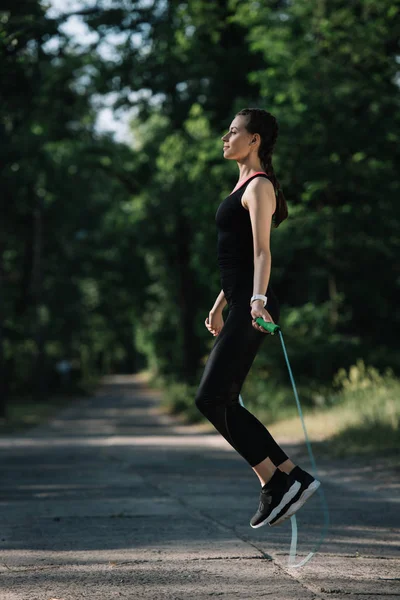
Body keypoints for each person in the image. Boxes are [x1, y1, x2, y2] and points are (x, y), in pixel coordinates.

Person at [195, 108, 320, 528]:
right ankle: (289, 476)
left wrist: (257, 300)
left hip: (253, 306)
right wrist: (219, 303)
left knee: (211, 398)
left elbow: (262, 252)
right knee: (221, 399)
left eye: (233, 132)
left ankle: (276, 481)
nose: (224, 138)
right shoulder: (241, 184)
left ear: (255, 141)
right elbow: (235, 258)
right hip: (239, 302)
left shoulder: (259, 186)